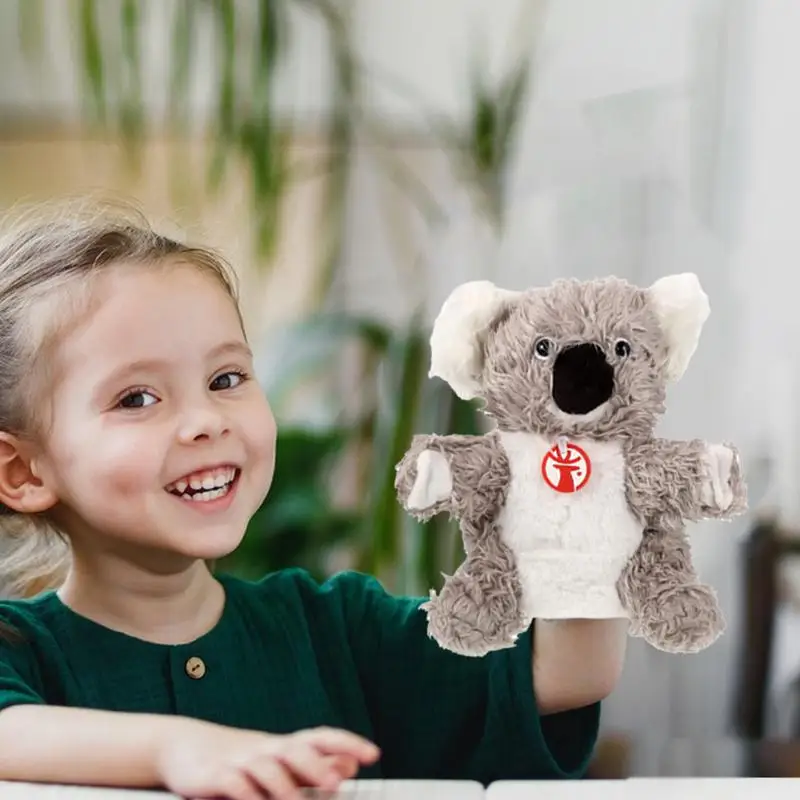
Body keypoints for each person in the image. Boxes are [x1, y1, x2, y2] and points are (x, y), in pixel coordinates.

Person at [0, 199, 627, 799]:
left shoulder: (340, 631)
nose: (205, 421)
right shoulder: (21, 650)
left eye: (226, 379)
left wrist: (586, 507)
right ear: (23, 471)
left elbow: (565, 675)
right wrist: (176, 750)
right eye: (137, 398)